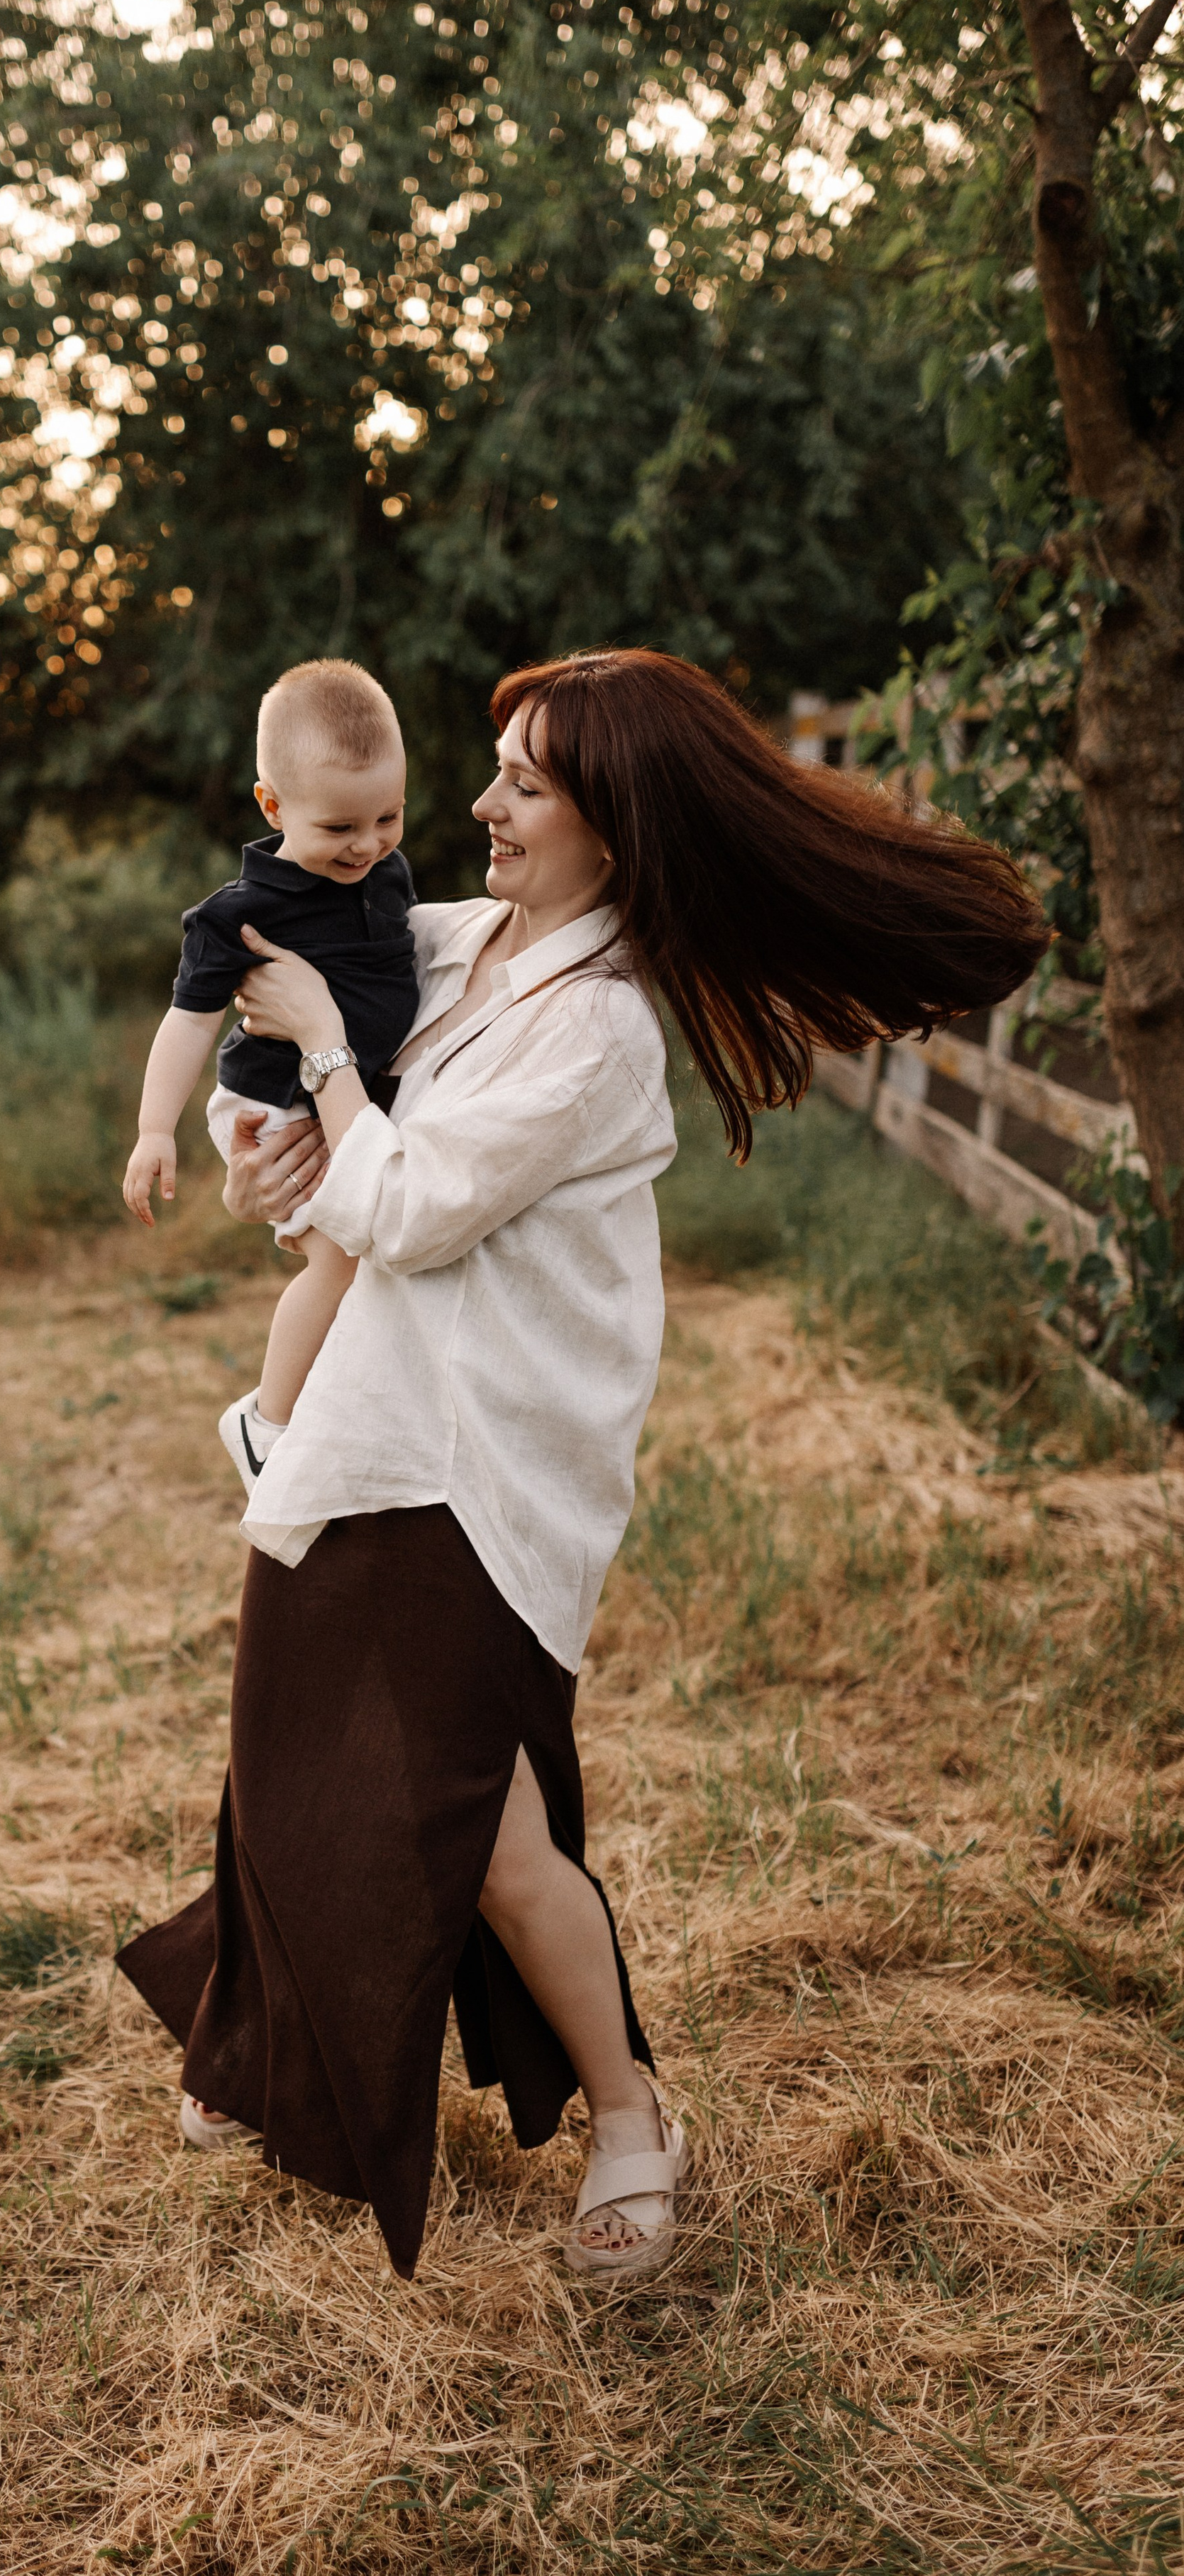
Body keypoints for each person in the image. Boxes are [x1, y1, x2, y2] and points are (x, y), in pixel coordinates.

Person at [118, 646, 1049, 2285]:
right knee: (283, 1755)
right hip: (364, 1426)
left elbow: (400, 1195)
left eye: (524, 783)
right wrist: (253, 1133)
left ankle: (628, 2116)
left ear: (611, 819)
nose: (477, 805)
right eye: (488, 771)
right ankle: (258, 2056)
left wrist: (331, 1071)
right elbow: (281, 1060)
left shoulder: (600, 1029)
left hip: (481, 1469)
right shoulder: (459, 940)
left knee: (483, 1829)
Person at [121, 659, 421, 1490]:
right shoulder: (237, 916)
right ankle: (269, 1423)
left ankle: (339, 1406)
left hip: (355, 1092)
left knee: (378, 1251)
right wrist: (155, 1130)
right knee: (344, 1259)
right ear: (273, 806)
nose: (367, 845)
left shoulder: (387, 873)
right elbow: (187, 1023)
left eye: (388, 816)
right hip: (276, 1098)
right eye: (339, 829)